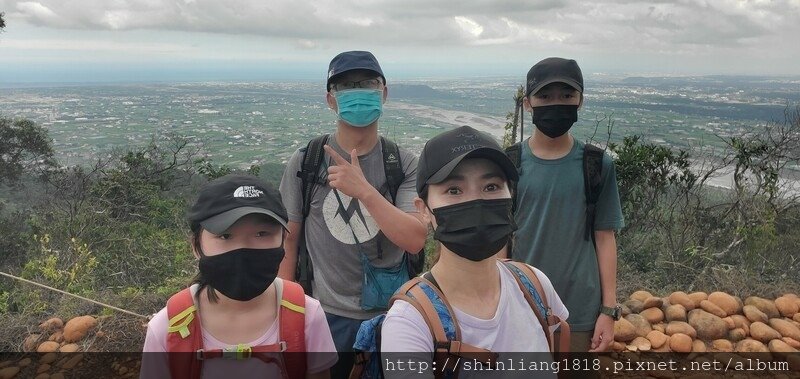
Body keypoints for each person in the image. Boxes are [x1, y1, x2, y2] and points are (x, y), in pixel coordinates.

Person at [278, 50, 427, 378]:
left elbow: (415, 240)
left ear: (384, 93)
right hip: (326, 316)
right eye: (346, 85)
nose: (358, 91)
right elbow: (289, 241)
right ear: (331, 100)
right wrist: (284, 311)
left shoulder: (403, 164)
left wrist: (365, 191)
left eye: (368, 83)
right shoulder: (306, 162)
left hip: (395, 315)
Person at [380, 125, 568, 378]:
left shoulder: (535, 286)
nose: (475, 202)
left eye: (491, 186)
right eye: (454, 190)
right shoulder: (410, 323)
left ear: (510, 195)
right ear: (423, 209)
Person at [141, 174, 337, 379]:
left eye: (262, 234)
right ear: (196, 246)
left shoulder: (307, 316)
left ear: (283, 239)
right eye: (225, 236)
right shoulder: (168, 328)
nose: (243, 249)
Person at [511, 57, 625, 353]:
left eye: (566, 95)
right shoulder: (508, 164)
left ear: (580, 101)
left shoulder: (597, 164)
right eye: (545, 96)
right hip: (522, 303)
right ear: (527, 103)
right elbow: (499, 240)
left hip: (581, 311)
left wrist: (608, 310)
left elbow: (605, 237)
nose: (556, 104)